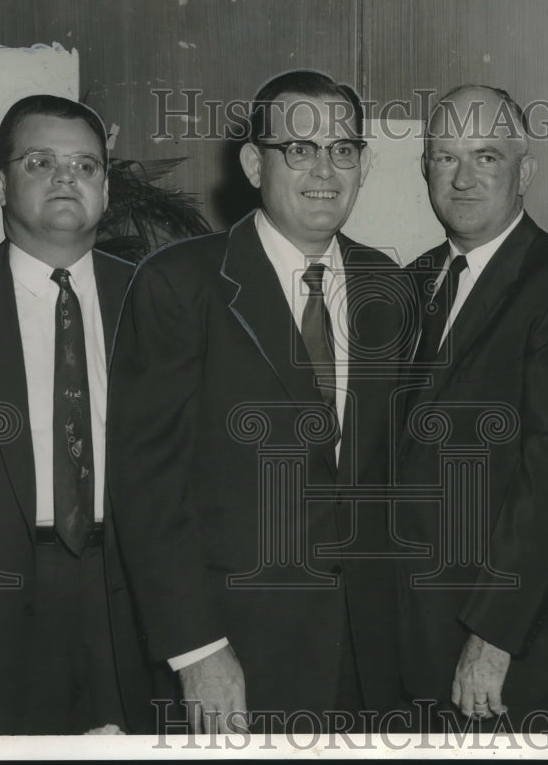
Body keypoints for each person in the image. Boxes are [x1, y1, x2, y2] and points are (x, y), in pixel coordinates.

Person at [107, 70, 409, 732]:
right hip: (234, 651)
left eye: (343, 149)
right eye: (299, 149)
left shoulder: (388, 286)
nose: (324, 170)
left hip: (368, 657)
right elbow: (146, 487)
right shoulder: (179, 283)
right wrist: (198, 651)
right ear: (253, 162)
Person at [0, 94, 159, 734]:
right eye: (40, 162)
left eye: (86, 165)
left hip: (126, 596)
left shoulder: (160, 300)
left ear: (105, 185)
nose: (67, 178)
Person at [394, 85, 548, 729]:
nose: (462, 178)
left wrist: (494, 638)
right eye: (444, 157)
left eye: (486, 156)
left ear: (527, 170)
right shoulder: (410, 281)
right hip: (399, 631)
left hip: (489, 646)